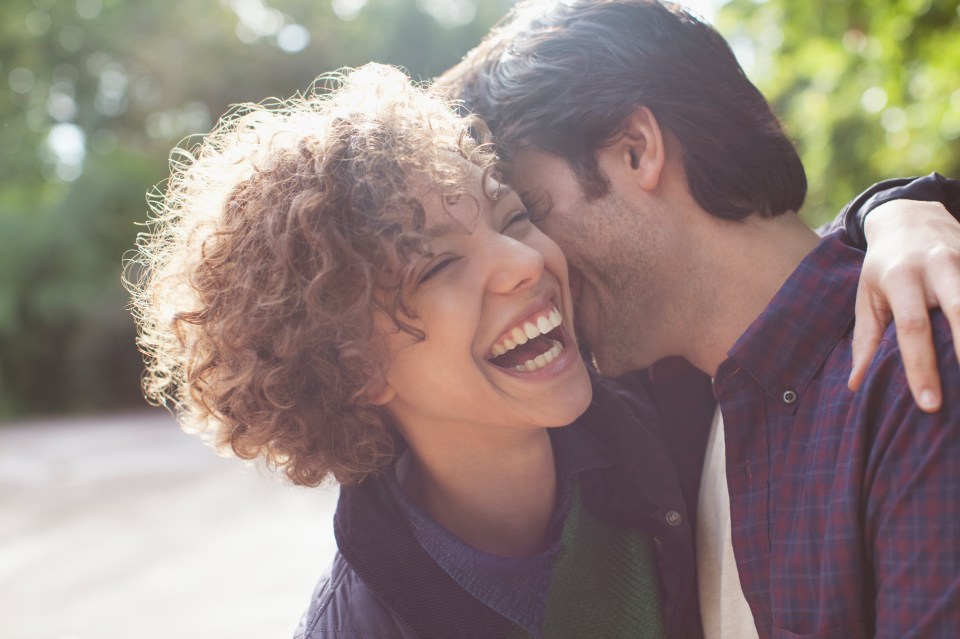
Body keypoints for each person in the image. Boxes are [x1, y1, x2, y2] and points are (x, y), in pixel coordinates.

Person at [128, 63, 721, 639]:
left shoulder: (688, 405)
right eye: (437, 265)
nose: (525, 261)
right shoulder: (357, 628)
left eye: (514, 218)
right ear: (353, 367)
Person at [438, 1, 960, 637]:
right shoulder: (669, 409)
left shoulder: (919, 366)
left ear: (636, 150)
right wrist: (894, 207)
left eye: (530, 214)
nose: (531, 265)